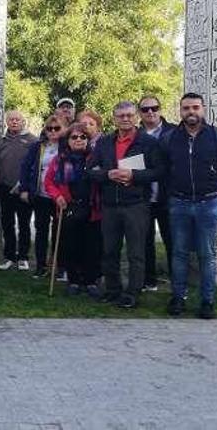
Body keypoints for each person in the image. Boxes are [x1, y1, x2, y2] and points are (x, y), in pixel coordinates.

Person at [162, 93, 217, 319]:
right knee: (179, 253)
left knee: (207, 254)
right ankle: (178, 298)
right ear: (180, 111)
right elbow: (164, 170)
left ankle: (207, 301)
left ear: (203, 109)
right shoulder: (169, 138)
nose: (191, 112)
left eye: (195, 107)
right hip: (179, 202)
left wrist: (212, 187)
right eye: (186, 108)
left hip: (208, 203)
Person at [88, 101, 162, 309]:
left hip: (136, 204)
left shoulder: (148, 142)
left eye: (129, 115)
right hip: (110, 204)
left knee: (136, 252)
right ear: (114, 118)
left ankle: (132, 293)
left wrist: (134, 176)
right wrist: (107, 174)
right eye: (121, 116)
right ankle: (112, 290)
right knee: (109, 250)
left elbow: (159, 171)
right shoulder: (104, 143)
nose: (125, 119)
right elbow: (90, 170)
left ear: (136, 116)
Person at [44, 123, 103, 298]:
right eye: (74, 137)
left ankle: (91, 281)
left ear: (88, 139)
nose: (78, 140)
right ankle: (74, 281)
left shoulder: (95, 158)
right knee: (70, 246)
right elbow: (49, 183)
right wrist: (57, 196)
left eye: (82, 137)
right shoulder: (60, 160)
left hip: (92, 208)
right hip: (69, 207)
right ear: (68, 140)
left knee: (92, 246)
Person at [19, 114, 68, 278]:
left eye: (57, 128)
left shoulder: (67, 146)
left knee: (58, 231)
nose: (53, 131)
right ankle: (40, 265)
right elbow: (25, 167)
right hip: (40, 193)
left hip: (60, 195)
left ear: (64, 129)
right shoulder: (38, 146)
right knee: (41, 230)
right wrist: (24, 188)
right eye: (49, 128)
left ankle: (58, 265)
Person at [138, 95, 176, 292]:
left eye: (154, 107)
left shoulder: (174, 132)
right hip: (143, 196)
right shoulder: (135, 134)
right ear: (140, 113)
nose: (150, 112)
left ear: (160, 109)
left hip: (167, 196)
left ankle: (177, 283)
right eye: (145, 109)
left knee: (172, 240)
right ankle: (149, 280)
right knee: (145, 240)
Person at [0, 110, 36, 271]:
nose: (14, 122)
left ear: (22, 121)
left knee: (24, 224)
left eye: (17, 119)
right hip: (5, 188)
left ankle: (23, 257)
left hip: (23, 189)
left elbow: (34, 167)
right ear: (7, 122)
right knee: (7, 223)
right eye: (11, 120)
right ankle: (9, 256)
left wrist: (27, 185)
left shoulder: (32, 140)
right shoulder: (1, 141)